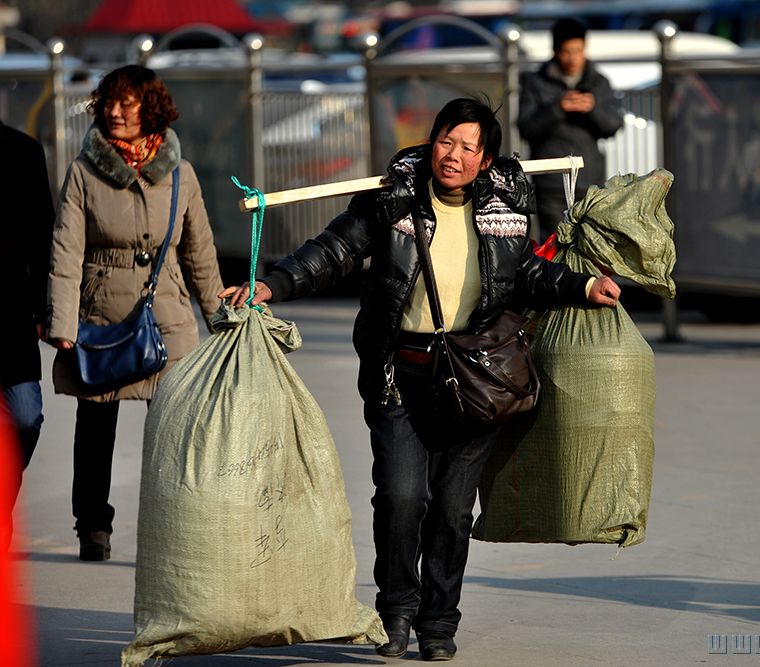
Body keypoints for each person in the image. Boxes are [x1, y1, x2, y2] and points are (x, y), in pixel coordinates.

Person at [220, 97, 620, 662]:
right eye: (445, 141)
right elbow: (333, 250)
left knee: (454, 509)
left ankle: (439, 622)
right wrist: (272, 285)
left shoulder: (505, 205)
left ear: (485, 160)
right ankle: (397, 611)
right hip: (398, 375)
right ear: (430, 142)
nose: (452, 156)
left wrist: (582, 287)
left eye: (467, 148)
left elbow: (524, 268)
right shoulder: (393, 196)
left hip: (473, 378)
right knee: (403, 497)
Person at [46, 65, 223, 562]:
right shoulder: (84, 171)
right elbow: (65, 250)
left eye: (128, 103)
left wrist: (219, 319)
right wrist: (61, 324)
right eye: (109, 102)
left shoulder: (181, 173)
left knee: (173, 426)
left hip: (167, 312)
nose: (116, 112)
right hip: (101, 309)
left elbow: (200, 252)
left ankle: (171, 525)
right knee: (96, 424)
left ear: (152, 108)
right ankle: (93, 526)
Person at [0, 120, 55, 551]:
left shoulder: (22, 151)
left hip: (13, 317)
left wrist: (43, 308)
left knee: (25, 416)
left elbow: (43, 238)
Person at [518, 17, 624, 238]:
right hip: (550, 181)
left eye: (578, 50)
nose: (573, 57)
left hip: (589, 181)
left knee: (592, 244)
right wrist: (557, 108)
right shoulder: (536, 82)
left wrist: (592, 109)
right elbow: (526, 127)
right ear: (556, 50)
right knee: (557, 245)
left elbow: (613, 126)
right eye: (567, 51)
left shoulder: (598, 82)